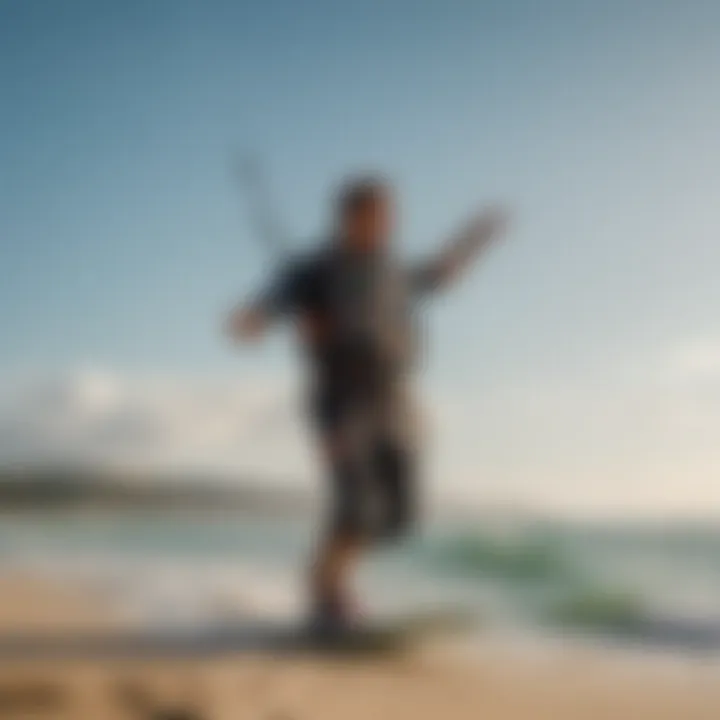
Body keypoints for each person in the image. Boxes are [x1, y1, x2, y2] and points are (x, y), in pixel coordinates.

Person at [225, 175, 507, 634]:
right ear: (348, 217)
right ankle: (327, 594)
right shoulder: (314, 270)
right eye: (375, 215)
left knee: (401, 515)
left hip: (395, 402)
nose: (386, 225)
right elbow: (274, 298)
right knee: (355, 504)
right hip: (341, 398)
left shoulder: (395, 270)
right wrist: (254, 318)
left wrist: (475, 237)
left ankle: (328, 579)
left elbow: (441, 271)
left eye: (390, 216)